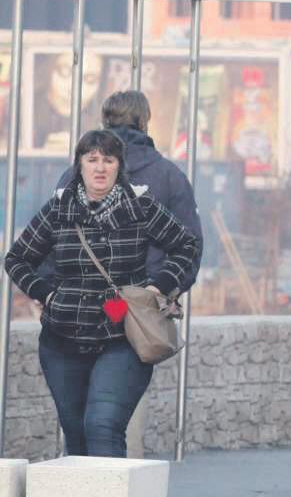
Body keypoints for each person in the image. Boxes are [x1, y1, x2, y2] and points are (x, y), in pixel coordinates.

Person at [8, 130, 201, 457]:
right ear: (79, 165)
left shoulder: (141, 207)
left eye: (108, 160)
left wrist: (158, 286)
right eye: (92, 159)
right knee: (78, 436)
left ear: (119, 166)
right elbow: (17, 258)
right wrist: (47, 294)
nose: (100, 167)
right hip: (62, 341)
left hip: (122, 337)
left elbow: (186, 246)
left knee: (103, 425)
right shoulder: (58, 210)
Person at [55, 88, 205, 294]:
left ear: (104, 123)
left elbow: (50, 240)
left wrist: (49, 292)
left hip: (78, 305)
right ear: (144, 123)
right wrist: (161, 288)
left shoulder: (74, 175)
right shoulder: (171, 176)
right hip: (142, 306)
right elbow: (191, 246)